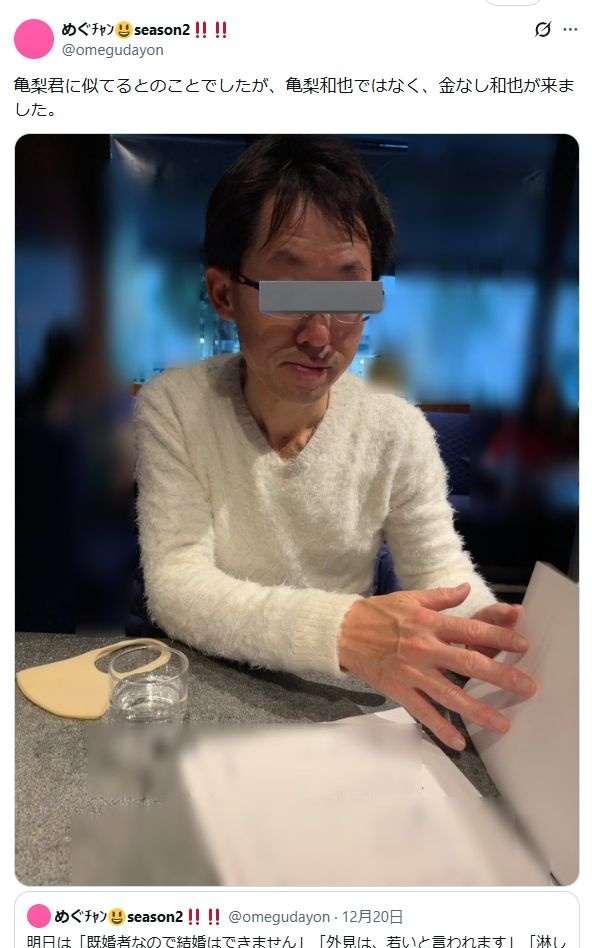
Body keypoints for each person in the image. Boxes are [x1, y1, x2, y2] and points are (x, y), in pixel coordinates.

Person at [135, 135, 535, 751]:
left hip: (342, 708)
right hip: (207, 698)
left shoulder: (397, 429)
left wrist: (495, 636)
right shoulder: (176, 406)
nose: (320, 335)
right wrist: (343, 627)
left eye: (349, 296)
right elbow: (177, 584)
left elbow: (441, 575)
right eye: (288, 291)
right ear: (224, 295)